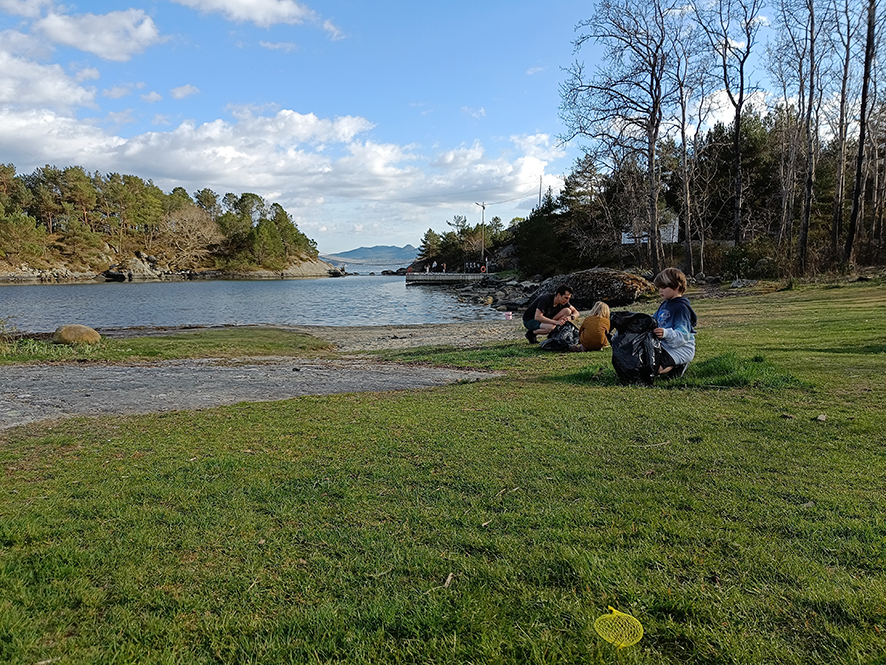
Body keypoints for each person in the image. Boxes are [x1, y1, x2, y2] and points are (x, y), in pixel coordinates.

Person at [651, 267, 697, 378]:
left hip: (680, 348)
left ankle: (678, 365)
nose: (660, 290)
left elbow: (683, 335)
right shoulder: (665, 304)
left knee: (656, 369)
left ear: (676, 286)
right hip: (666, 346)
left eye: (664, 287)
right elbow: (653, 320)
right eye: (659, 287)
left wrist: (666, 333)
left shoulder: (681, 308)